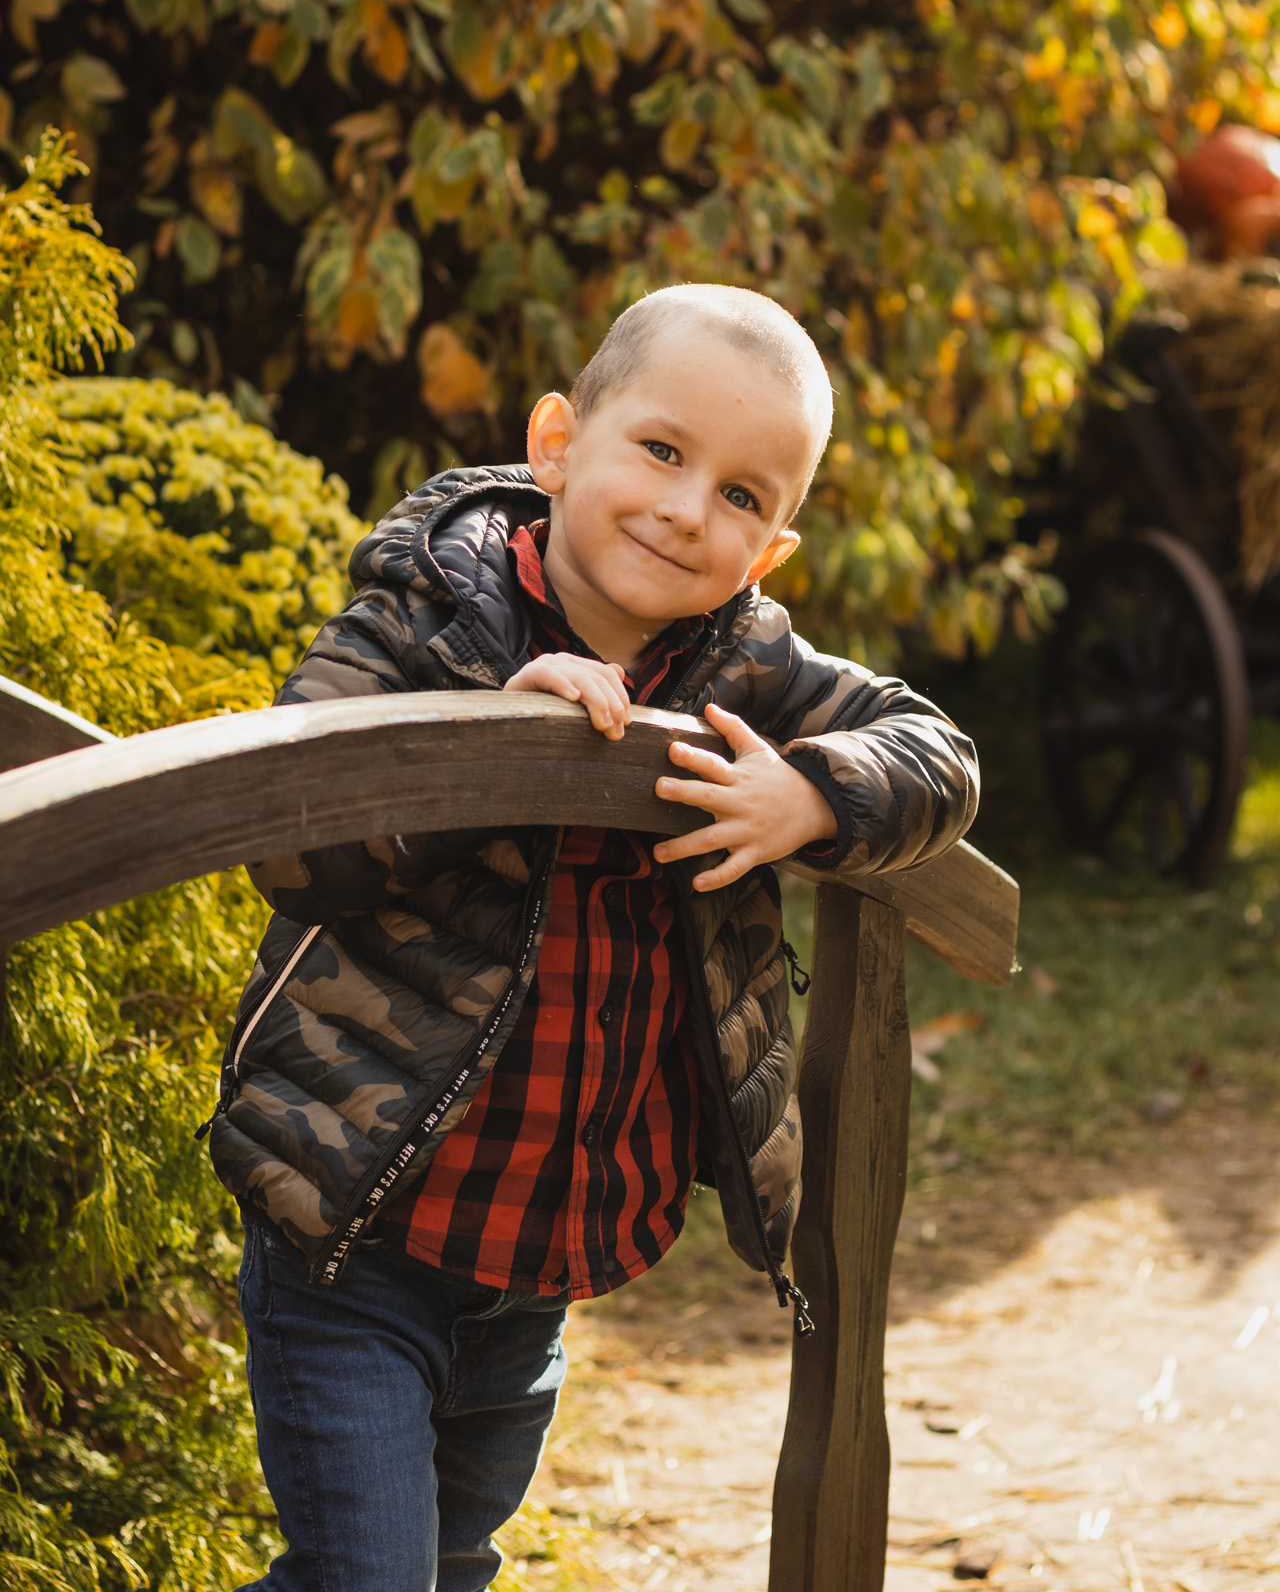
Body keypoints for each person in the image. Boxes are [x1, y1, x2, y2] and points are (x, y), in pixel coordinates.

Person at [210, 283, 979, 1592]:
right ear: (559, 442)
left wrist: (813, 793)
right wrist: (484, 736)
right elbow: (294, 836)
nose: (690, 509)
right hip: (362, 1236)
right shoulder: (426, 614)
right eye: (663, 452)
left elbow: (940, 751)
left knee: (452, 1563)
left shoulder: (743, 665)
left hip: (536, 1258)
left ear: (774, 550)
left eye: (744, 496)